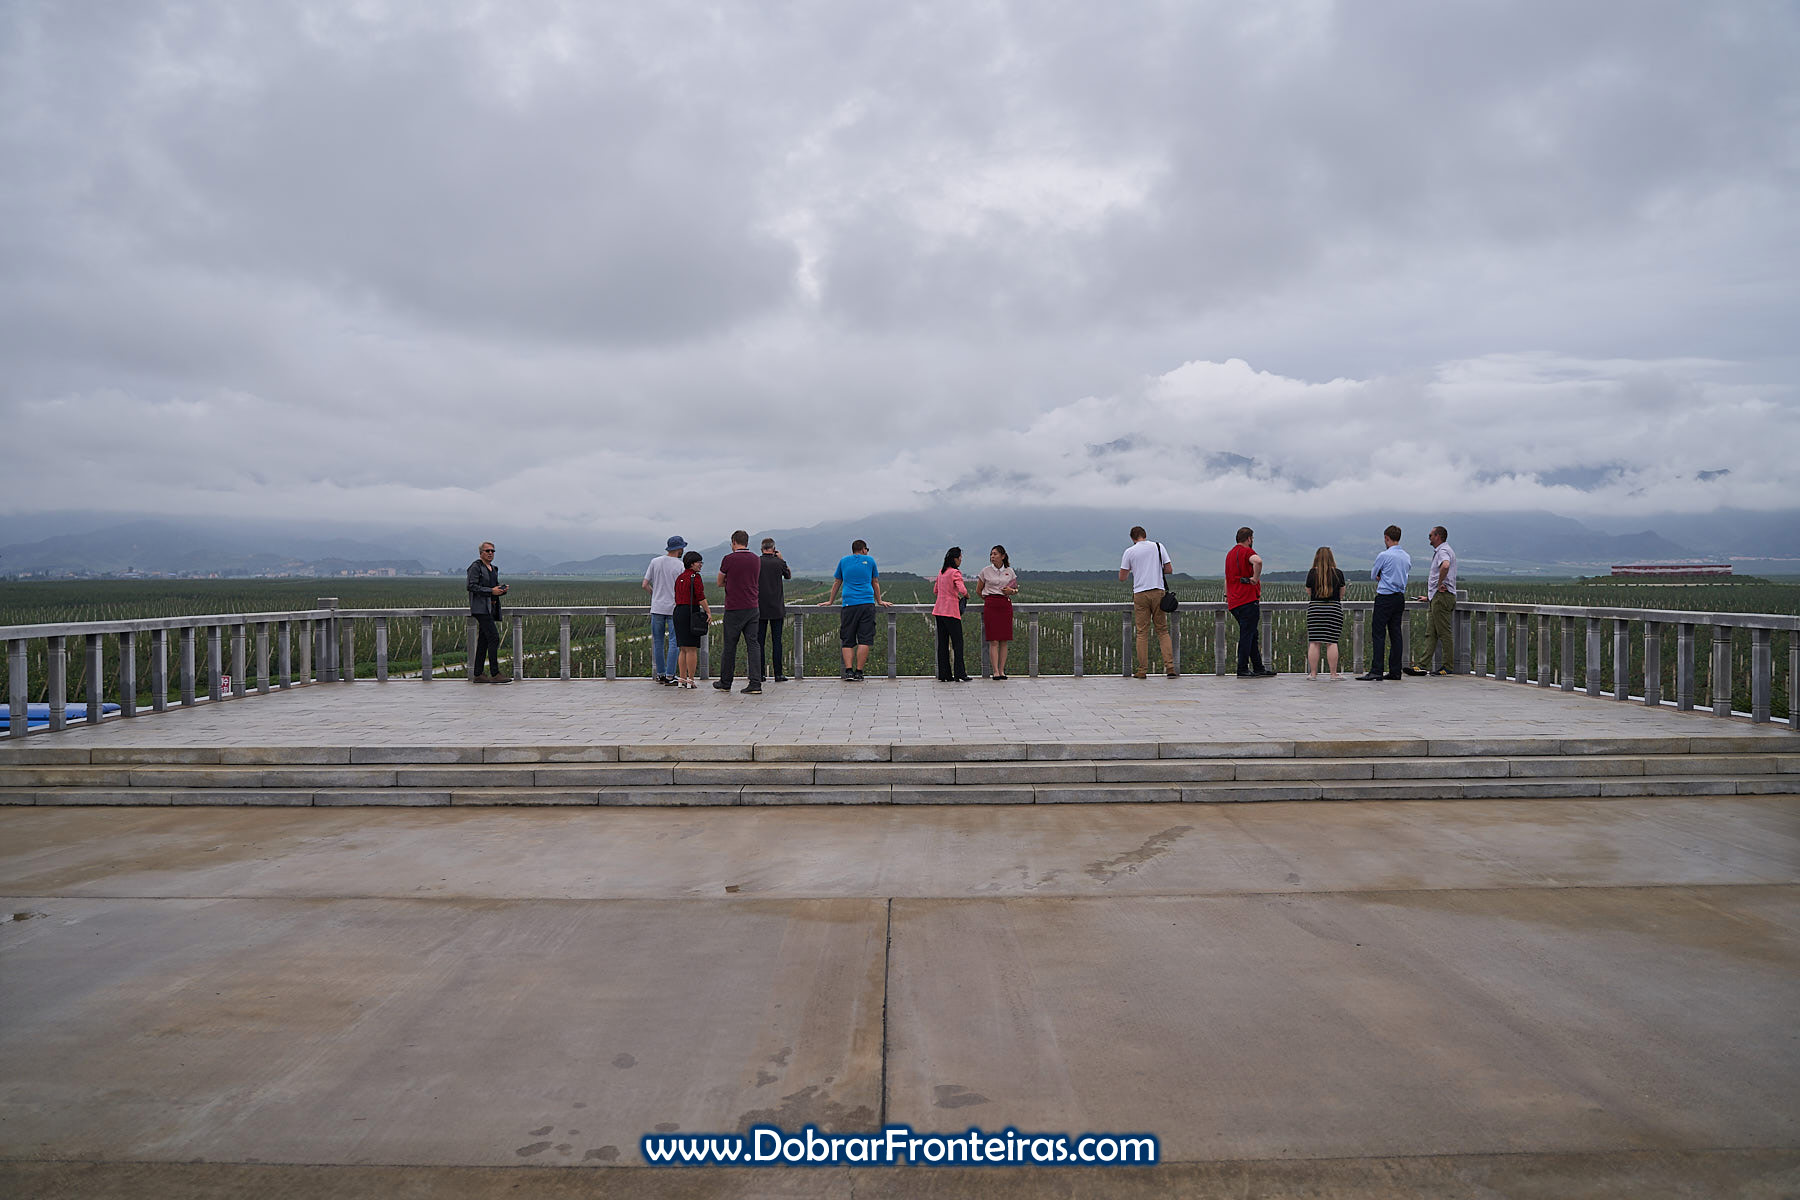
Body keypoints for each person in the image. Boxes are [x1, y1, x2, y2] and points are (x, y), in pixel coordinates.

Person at [819, 539, 892, 681]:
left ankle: (848, 671)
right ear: (863, 549)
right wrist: (880, 601)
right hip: (866, 603)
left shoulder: (843, 561)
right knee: (864, 639)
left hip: (849, 604)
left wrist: (830, 601)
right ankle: (859, 672)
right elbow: (875, 582)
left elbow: (837, 582)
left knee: (847, 639)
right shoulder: (870, 561)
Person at [1119, 527, 1176, 679]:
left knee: (1142, 632)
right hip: (1158, 591)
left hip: (1140, 593)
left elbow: (1122, 577)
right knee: (1162, 630)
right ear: (1145, 535)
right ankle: (1170, 666)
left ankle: (1142, 670)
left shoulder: (1129, 552)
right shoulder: (1158, 546)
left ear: (1132, 538)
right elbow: (1169, 569)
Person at [1360, 525, 1412, 682]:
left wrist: (1382, 576)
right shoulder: (1406, 556)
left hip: (1385, 597)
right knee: (1396, 634)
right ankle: (1395, 671)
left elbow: (1373, 574)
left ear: (1386, 538)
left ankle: (1377, 670)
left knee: (1379, 634)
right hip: (1399, 598)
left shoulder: (1384, 555)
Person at [714, 531, 763, 694]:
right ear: (747, 542)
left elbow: (719, 582)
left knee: (729, 646)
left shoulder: (729, 559)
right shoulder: (756, 559)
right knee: (753, 645)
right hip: (752, 607)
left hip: (734, 607)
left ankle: (726, 682)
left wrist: (731, 580)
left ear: (734, 542)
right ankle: (755, 683)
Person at [1406, 526, 1459, 677]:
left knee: (1443, 632)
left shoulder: (1443, 551)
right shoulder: (1445, 550)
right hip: (1438, 597)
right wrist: (1430, 596)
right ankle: (1422, 665)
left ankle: (1448, 666)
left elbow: (1446, 565)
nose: (1428, 538)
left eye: (1430, 535)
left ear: (1438, 536)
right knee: (1431, 633)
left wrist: (1439, 583)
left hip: (1442, 597)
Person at [1224, 527, 1274, 678]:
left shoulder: (1230, 554)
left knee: (1252, 634)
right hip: (1248, 599)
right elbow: (1258, 561)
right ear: (1249, 539)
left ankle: (1258, 667)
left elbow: (1227, 577)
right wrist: (1255, 578)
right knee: (1247, 635)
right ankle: (1242, 668)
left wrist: (1227, 595)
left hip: (1234, 601)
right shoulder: (1247, 552)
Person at [641, 536, 687, 685]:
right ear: (679, 549)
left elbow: (645, 584)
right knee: (674, 641)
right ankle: (669, 675)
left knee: (658, 641)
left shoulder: (655, 562)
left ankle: (660, 674)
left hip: (657, 607)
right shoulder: (680, 566)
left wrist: (655, 595)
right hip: (674, 607)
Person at [465, 541, 511, 683]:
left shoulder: (494, 569)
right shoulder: (475, 567)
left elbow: (492, 589)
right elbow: (471, 586)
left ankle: (478, 674)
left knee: (484, 642)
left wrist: (500, 591)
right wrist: (491, 591)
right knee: (494, 638)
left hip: (491, 608)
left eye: (492, 551)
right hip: (481, 609)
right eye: (487, 551)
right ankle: (495, 673)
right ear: (481, 553)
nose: (490, 553)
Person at [977, 545, 1020, 679]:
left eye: (995, 554)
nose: (992, 556)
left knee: (1004, 640)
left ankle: (1002, 671)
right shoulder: (985, 571)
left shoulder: (1010, 571)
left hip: (1005, 605)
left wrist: (1011, 591)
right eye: (991, 554)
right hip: (991, 605)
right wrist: (989, 599)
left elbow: (1016, 588)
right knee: (993, 640)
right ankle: (995, 671)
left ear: (1003, 556)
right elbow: (979, 590)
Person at [1304, 546, 1347, 680]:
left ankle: (1313, 673)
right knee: (1332, 642)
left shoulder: (1312, 573)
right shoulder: (1338, 573)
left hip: (1315, 610)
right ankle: (1333, 674)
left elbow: (1309, 592)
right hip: (1333, 610)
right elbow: (1341, 594)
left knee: (1314, 642)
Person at [932, 547, 971, 682]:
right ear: (955, 559)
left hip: (939, 611)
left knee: (942, 644)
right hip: (951, 612)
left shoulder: (941, 572)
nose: (960, 560)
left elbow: (935, 590)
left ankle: (944, 674)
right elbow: (962, 589)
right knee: (957, 643)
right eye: (960, 557)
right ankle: (960, 673)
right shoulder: (955, 573)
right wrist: (965, 595)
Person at [671, 550, 710, 689]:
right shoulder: (695, 577)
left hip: (678, 612)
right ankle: (691, 680)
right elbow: (700, 596)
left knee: (682, 648)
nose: (701, 565)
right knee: (692, 649)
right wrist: (708, 612)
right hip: (691, 612)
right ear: (692, 563)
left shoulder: (680, 577)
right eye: (699, 562)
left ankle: (681, 679)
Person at [758, 537, 792, 683]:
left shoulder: (756, 562)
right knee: (777, 641)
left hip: (759, 609)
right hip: (777, 608)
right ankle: (778, 674)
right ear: (773, 548)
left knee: (759, 642)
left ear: (761, 549)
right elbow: (788, 575)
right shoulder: (779, 562)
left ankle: (760, 674)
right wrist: (782, 559)